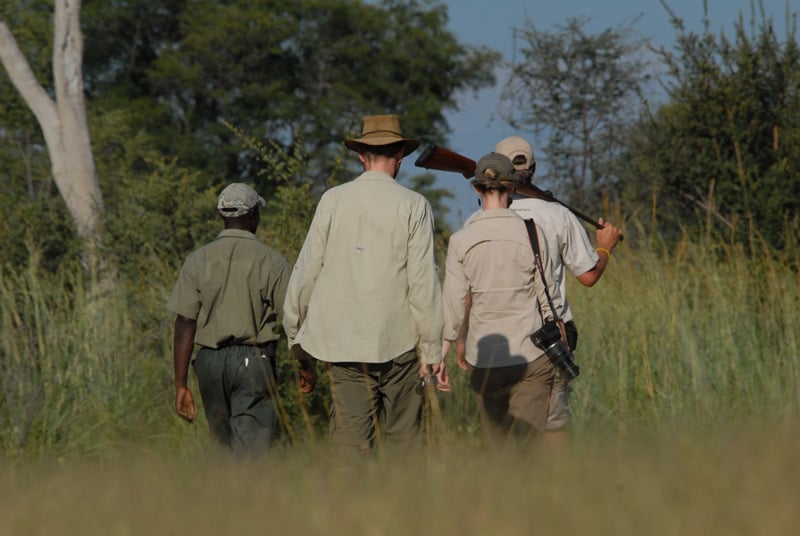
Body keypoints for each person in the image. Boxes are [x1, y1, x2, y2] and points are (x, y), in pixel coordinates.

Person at [282, 114, 445, 456]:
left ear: (360, 154)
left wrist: (296, 337)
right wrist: (430, 352)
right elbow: (423, 284)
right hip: (400, 344)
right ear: (400, 154)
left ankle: (353, 509)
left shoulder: (332, 200)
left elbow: (307, 270)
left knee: (350, 451)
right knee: (407, 450)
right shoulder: (414, 205)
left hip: (343, 346)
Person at [457, 136, 622, 444]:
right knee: (552, 426)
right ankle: (551, 487)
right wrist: (605, 247)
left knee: (500, 434)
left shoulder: (475, 221)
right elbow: (588, 276)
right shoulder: (558, 215)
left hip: (491, 343)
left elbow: (467, 289)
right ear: (533, 168)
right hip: (547, 340)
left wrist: (460, 338)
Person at [167, 182, 292, 455]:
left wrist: (180, 384)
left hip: (209, 363)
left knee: (221, 448)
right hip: (253, 360)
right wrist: (305, 363)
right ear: (253, 216)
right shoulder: (272, 261)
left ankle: (222, 496)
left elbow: (184, 323)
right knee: (252, 455)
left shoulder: (197, 259)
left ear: (223, 216)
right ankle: (247, 497)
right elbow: (292, 320)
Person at [442, 152, 558, 445]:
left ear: (477, 189)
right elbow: (548, 295)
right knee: (528, 449)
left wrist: (440, 354)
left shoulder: (460, 240)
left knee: (498, 447)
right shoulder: (533, 233)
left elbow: (453, 304)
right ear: (512, 188)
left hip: (485, 358)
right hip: (532, 355)